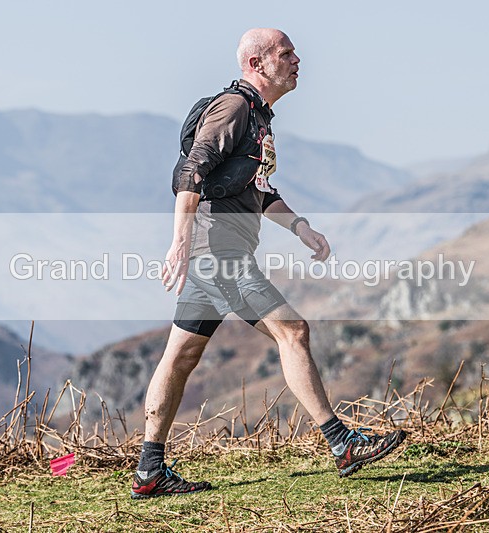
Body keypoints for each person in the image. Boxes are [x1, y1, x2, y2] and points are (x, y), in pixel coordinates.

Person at [131, 28, 406, 500]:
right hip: (220, 256)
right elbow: (191, 172)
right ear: (257, 64)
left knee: (180, 357)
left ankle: (149, 471)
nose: (297, 60)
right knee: (293, 331)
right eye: (286, 53)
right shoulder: (234, 108)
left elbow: (257, 189)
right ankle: (341, 443)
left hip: (214, 255)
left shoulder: (258, 117)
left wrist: (300, 227)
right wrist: (179, 242)